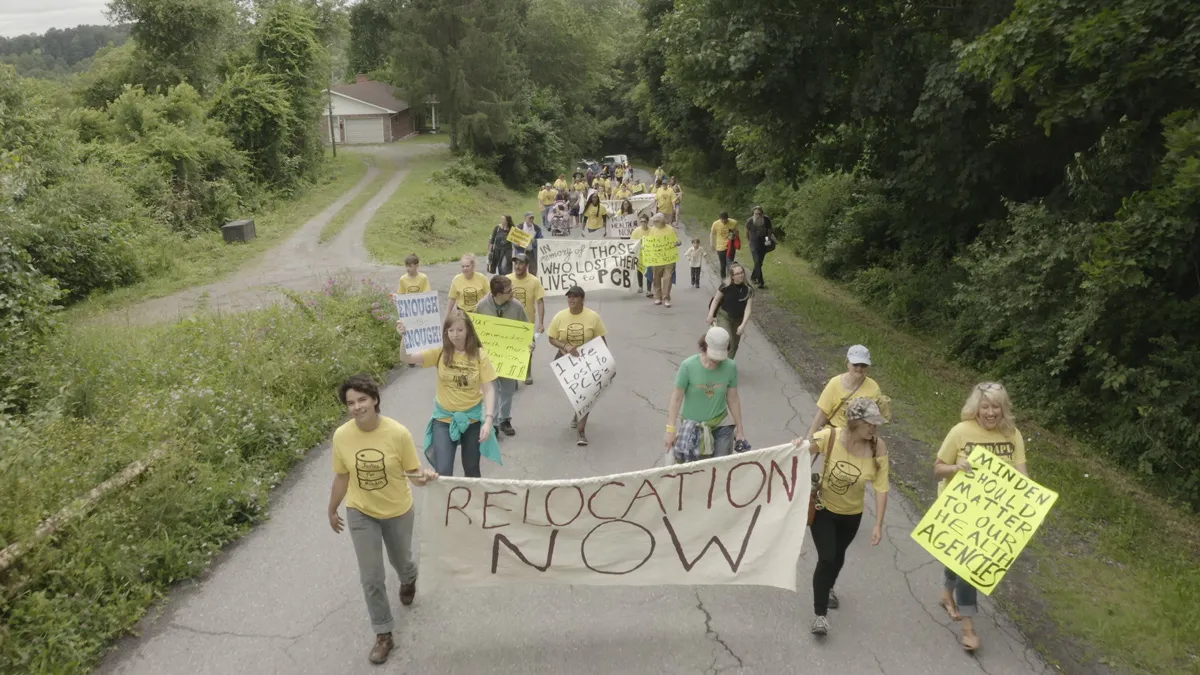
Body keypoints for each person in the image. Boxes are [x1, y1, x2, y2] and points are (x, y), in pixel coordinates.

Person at [327, 375, 438, 665]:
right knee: (371, 576)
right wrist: (332, 508)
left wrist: (426, 476)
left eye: (362, 399)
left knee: (401, 561)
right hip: (360, 511)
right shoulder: (342, 436)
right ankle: (383, 633)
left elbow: (414, 475)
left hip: (397, 510)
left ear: (375, 399)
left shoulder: (397, 434)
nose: (356, 407)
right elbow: (342, 475)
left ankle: (409, 577)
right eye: (350, 403)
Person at [934, 382, 1027, 652]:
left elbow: (1022, 475)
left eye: (996, 406)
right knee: (967, 568)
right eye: (985, 406)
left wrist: (1032, 505)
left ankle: (946, 594)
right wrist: (955, 467)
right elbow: (937, 469)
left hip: (992, 515)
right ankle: (968, 627)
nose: (990, 412)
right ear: (975, 408)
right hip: (958, 511)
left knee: (960, 562)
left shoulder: (1013, 434)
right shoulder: (960, 432)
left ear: (1003, 409)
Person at [792, 398, 889, 636]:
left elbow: (881, 486)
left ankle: (829, 585)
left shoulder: (878, 447)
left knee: (837, 557)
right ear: (855, 422)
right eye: (870, 423)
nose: (874, 428)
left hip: (852, 515)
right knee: (827, 557)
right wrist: (798, 445)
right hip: (824, 508)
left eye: (876, 424)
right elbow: (803, 450)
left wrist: (878, 524)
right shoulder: (831, 436)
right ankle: (820, 615)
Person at [396, 311, 499, 477]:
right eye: (450, 330)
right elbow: (406, 358)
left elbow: (488, 388)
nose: (455, 335)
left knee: (472, 470)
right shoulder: (440, 352)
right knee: (442, 471)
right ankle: (446, 503)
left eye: (460, 330)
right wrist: (404, 337)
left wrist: (488, 420)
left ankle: (472, 502)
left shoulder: (480, 355)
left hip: (471, 418)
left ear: (468, 332)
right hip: (444, 418)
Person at [664, 327, 747, 463]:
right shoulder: (688, 366)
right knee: (695, 472)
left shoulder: (730, 367)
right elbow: (676, 398)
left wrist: (740, 430)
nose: (716, 361)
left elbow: (733, 399)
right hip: (693, 429)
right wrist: (670, 430)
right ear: (705, 346)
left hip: (721, 426)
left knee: (720, 468)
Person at [547, 286, 608, 446]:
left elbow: (601, 340)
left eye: (575, 297)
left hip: (587, 361)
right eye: (569, 297)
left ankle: (581, 432)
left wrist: (606, 362)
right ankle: (577, 409)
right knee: (575, 394)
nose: (571, 300)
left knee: (586, 394)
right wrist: (565, 346)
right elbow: (551, 338)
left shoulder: (592, 317)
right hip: (565, 361)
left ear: (582, 299)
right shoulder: (560, 317)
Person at [474, 276, 531, 437]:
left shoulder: (517, 307)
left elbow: (526, 329)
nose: (512, 293)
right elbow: (475, 331)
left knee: (507, 390)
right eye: (508, 291)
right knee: (491, 390)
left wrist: (529, 344)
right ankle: (492, 424)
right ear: (498, 294)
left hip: (509, 357)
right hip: (488, 357)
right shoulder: (482, 306)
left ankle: (505, 419)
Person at [806, 345, 888, 439]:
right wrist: (809, 438)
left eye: (863, 365)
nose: (859, 368)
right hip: (834, 436)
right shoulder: (835, 383)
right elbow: (822, 413)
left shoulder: (873, 387)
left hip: (858, 439)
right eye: (855, 364)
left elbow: (874, 421)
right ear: (847, 363)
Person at [508, 253, 545, 385]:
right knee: (510, 349)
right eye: (516, 263)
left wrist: (541, 322)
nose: (517, 266)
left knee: (528, 348)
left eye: (521, 263)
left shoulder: (534, 281)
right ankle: (512, 376)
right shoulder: (507, 279)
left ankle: (527, 372)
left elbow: (540, 302)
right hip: (510, 321)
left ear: (527, 265)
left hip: (527, 321)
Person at [707, 262, 754, 358]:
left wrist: (743, 325)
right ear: (732, 276)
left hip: (738, 319)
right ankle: (718, 362)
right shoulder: (725, 286)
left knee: (734, 346)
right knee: (728, 341)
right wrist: (711, 315)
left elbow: (748, 309)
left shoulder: (749, 289)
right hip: (724, 316)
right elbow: (716, 300)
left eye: (742, 272)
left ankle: (727, 365)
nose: (741, 275)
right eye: (737, 274)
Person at [647, 212, 680, 307]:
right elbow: (649, 241)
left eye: (656, 221)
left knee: (667, 278)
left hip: (669, 258)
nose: (654, 223)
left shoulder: (670, 229)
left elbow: (678, 240)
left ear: (661, 222)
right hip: (657, 258)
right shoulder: (653, 230)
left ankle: (666, 298)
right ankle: (658, 297)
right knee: (656, 277)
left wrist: (676, 243)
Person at [745, 205, 774, 289]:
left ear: (762, 214)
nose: (757, 215)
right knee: (757, 261)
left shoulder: (766, 220)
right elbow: (746, 232)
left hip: (763, 243)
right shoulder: (750, 220)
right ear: (754, 213)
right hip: (753, 244)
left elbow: (769, 230)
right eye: (756, 213)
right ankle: (760, 282)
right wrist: (749, 241)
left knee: (759, 263)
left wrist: (768, 239)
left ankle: (753, 277)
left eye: (759, 214)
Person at [710, 211, 740, 279]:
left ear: (728, 218)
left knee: (730, 264)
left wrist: (735, 238)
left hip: (730, 246)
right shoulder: (716, 224)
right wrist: (712, 244)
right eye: (722, 220)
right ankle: (723, 279)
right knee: (723, 264)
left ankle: (730, 279)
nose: (724, 221)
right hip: (720, 247)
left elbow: (737, 232)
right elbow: (712, 233)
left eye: (725, 220)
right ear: (720, 219)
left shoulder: (733, 223)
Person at [630, 214, 652, 294]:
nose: (643, 223)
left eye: (645, 221)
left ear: (647, 222)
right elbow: (632, 242)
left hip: (649, 254)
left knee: (649, 271)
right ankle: (640, 286)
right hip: (640, 254)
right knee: (640, 270)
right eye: (641, 221)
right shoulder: (636, 231)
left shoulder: (652, 230)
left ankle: (649, 289)